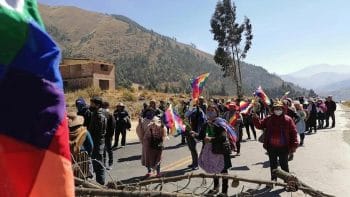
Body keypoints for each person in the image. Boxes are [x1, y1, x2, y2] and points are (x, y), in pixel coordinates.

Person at [252, 101, 299, 181]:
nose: (278, 110)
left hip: (284, 147)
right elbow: (259, 125)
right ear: (273, 110)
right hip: (271, 147)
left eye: (279, 109)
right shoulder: (268, 119)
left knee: (284, 165)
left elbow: (293, 132)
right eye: (276, 109)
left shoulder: (288, 119)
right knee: (273, 165)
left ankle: (286, 181)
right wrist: (255, 118)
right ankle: (273, 180)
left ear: (283, 109)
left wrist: (294, 145)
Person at [192, 105, 232, 196]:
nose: (210, 112)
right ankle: (216, 188)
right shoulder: (206, 124)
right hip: (210, 151)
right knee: (214, 169)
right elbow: (201, 136)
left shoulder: (221, 123)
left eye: (212, 110)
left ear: (217, 112)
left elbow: (222, 137)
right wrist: (194, 134)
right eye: (208, 110)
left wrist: (211, 139)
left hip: (221, 150)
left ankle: (224, 191)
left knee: (223, 170)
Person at [67, 112, 94, 178]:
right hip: (83, 158)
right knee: (88, 176)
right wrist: (88, 154)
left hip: (70, 159)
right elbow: (91, 145)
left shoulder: (65, 133)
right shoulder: (84, 131)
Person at [88, 96, 107, 185]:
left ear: (97, 105)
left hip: (97, 144)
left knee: (98, 165)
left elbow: (98, 133)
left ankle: (101, 185)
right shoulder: (95, 114)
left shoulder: (99, 116)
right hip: (97, 143)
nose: (90, 105)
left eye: (92, 104)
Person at [185, 106, 206, 170]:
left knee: (193, 148)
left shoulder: (198, 111)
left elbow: (201, 120)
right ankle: (193, 162)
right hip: (187, 131)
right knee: (191, 148)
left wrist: (196, 132)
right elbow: (185, 118)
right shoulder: (188, 110)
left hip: (194, 131)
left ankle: (196, 164)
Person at [102, 101, 116, 169]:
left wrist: (111, 135)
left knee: (109, 149)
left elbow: (113, 125)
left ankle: (110, 163)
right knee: (104, 149)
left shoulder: (110, 114)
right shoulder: (101, 114)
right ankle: (104, 163)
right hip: (103, 135)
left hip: (108, 135)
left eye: (104, 106)